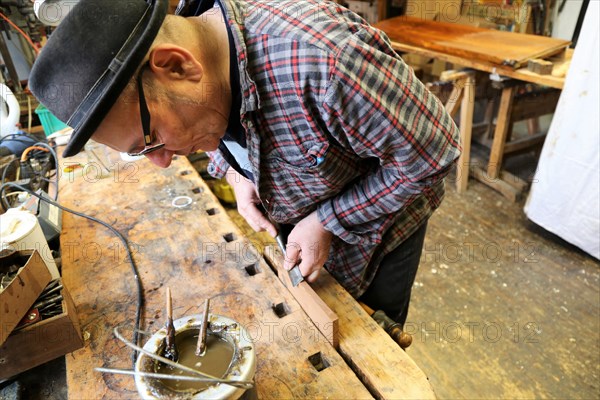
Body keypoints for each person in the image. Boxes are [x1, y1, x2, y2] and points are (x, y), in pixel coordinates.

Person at [30, 0, 461, 327]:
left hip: (380, 231)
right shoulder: (201, 62)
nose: (162, 162)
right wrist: (237, 174)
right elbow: (218, 122)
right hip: (306, 208)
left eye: (152, 141)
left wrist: (327, 221)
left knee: (373, 335)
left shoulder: (328, 63)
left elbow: (433, 155)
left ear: (177, 65)